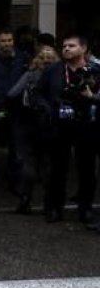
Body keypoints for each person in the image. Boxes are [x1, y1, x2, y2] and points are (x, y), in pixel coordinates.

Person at [35, 35, 100, 225]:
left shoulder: (95, 70)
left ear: (84, 48)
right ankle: (55, 208)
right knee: (57, 168)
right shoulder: (53, 70)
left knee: (87, 170)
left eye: (71, 46)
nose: (66, 49)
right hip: (59, 124)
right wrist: (49, 110)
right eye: (64, 46)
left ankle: (85, 209)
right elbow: (38, 94)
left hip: (87, 124)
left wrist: (93, 96)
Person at [7, 46, 58, 215]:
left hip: (28, 122)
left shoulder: (30, 74)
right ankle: (49, 204)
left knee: (28, 162)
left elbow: (12, 93)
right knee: (47, 164)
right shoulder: (57, 76)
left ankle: (25, 200)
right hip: (50, 124)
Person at [0, 30, 28, 192]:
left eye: (9, 40)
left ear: (13, 41)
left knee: (16, 148)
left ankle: (14, 183)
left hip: (17, 109)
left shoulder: (23, 59)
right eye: (3, 41)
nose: (7, 44)